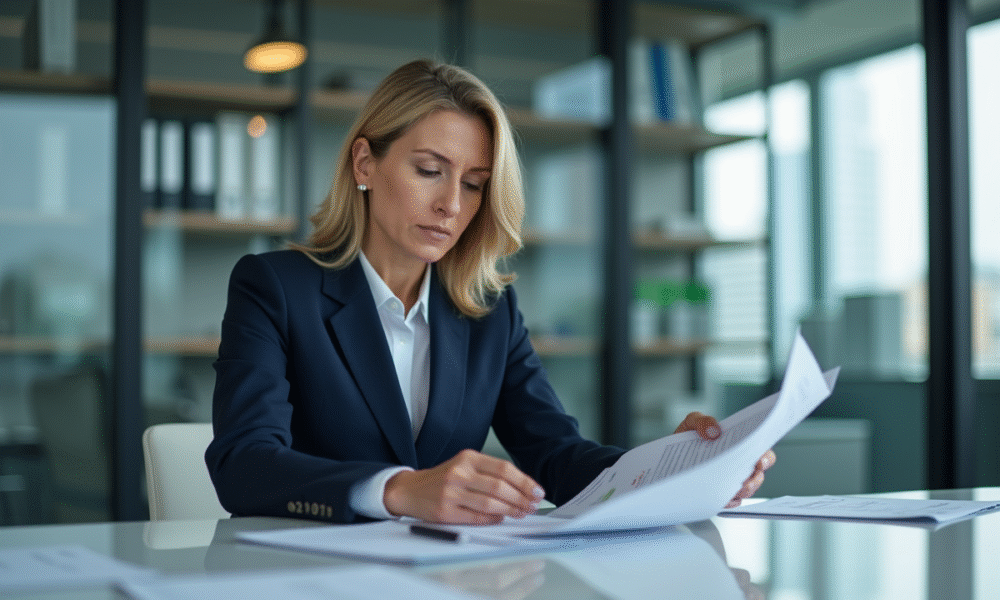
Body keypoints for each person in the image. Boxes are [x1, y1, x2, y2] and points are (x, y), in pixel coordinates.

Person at [205, 59, 774, 526]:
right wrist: (399, 490)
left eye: (474, 184)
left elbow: (556, 454)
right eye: (430, 170)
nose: (452, 204)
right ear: (365, 163)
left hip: (445, 578)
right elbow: (244, 464)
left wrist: (675, 469)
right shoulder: (275, 287)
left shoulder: (488, 312)